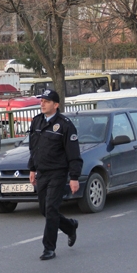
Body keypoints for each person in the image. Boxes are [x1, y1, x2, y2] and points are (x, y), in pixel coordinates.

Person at [28, 89, 82, 261]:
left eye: (47, 101)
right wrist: (32, 169)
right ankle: (69, 226)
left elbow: (73, 154)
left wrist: (74, 177)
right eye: (41, 100)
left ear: (56, 105)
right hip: (42, 172)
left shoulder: (65, 125)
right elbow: (34, 148)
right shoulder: (37, 122)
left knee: (51, 208)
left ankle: (49, 248)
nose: (42, 103)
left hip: (58, 173)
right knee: (45, 209)